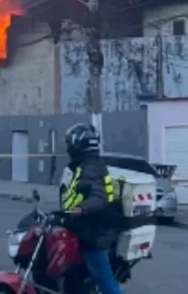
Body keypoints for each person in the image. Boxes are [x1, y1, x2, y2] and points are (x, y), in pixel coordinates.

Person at [59, 123, 123, 294]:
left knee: (106, 283)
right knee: (73, 279)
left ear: (79, 145)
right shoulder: (84, 165)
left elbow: (99, 197)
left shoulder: (91, 167)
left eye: (70, 144)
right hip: (81, 230)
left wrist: (81, 208)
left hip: (94, 234)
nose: (68, 148)